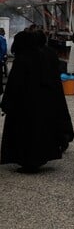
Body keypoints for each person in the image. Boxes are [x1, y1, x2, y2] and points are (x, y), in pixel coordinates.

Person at [0, 31, 64, 173]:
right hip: (43, 104)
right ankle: (38, 158)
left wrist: (7, 103)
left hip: (24, 106)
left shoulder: (22, 59)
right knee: (40, 132)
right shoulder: (43, 56)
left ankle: (27, 161)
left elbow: (14, 84)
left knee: (25, 133)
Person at [33, 30, 74, 151]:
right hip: (54, 89)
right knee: (58, 116)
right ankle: (62, 139)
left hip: (41, 91)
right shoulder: (50, 53)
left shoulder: (32, 55)